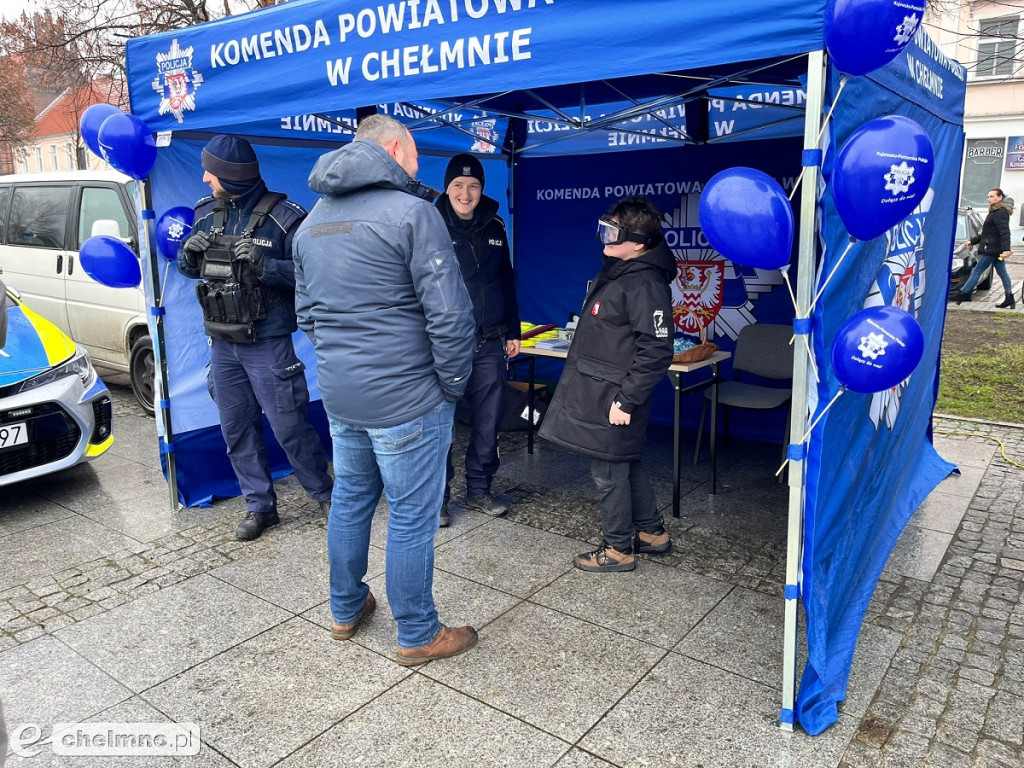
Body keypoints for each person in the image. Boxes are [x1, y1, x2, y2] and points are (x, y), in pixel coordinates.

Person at [293, 115, 479, 665]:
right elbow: (452, 317)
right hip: (408, 398)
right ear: (394, 148)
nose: (419, 164)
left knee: (350, 501)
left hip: (342, 396)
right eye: (416, 151)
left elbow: (308, 315)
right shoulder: (414, 213)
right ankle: (419, 632)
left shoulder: (310, 224)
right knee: (411, 513)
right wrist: (449, 385)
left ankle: (345, 609)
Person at [177, 135, 333, 541]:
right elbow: (191, 269)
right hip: (223, 343)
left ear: (233, 174)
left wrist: (266, 267)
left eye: (213, 170)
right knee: (236, 430)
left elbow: (314, 276)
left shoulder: (286, 218)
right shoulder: (205, 213)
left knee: (290, 427)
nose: (207, 177)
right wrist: (187, 258)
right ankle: (259, 506)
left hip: (268, 342)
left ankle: (325, 494)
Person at [538, 196, 675, 573]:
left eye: (613, 232)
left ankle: (618, 549)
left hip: (615, 396)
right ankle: (651, 533)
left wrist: (626, 401)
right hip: (603, 389)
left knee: (608, 471)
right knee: (625, 462)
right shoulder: (620, 269)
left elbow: (656, 350)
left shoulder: (645, 283)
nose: (605, 237)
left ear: (640, 242)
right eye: (605, 227)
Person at [435, 153, 521, 525]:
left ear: (482, 189)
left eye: (473, 186)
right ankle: (436, 499)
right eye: (458, 185)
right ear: (447, 187)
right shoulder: (430, 224)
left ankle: (479, 490)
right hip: (443, 345)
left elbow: (506, 280)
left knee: (488, 422)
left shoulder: (496, 225)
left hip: (489, 341)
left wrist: (513, 330)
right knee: (440, 426)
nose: (466, 193)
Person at [955, 188, 1015, 308]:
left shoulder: (1000, 212)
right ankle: (1010, 298)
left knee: (977, 271)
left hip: (992, 249)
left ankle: (963, 293)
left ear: (1000, 197)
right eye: (988, 197)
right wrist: (972, 241)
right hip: (995, 250)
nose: (989, 199)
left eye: (992, 196)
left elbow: (1004, 231)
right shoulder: (994, 211)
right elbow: (987, 233)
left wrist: (1006, 249)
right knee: (1003, 273)